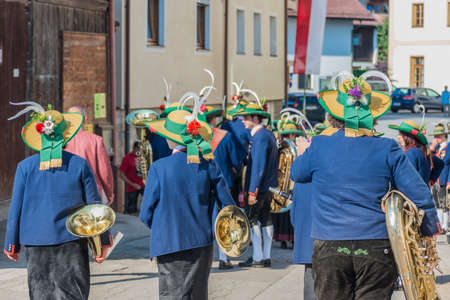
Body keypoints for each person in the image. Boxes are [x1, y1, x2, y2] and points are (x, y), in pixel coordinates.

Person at [291, 72, 441, 300]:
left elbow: (297, 174)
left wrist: (304, 153)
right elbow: (420, 193)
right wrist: (429, 231)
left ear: (333, 116)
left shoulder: (320, 144)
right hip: (376, 245)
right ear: (373, 116)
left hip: (330, 245)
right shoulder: (387, 147)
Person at [4, 103, 111, 300]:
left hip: (35, 242)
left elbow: (16, 208)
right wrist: (103, 242)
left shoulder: (24, 167)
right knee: (73, 294)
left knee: (41, 294)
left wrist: (12, 243)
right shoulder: (79, 164)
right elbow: (94, 207)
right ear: (64, 137)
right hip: (71, 240)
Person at [139, 94, 235, 300]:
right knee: (198, 294)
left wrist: (162, 227)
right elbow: (228, 206)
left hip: (169, 240)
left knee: (172, 295)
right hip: (202, 242)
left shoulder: (159, 168)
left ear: (171, 139)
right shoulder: (209, 164)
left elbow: (145, 212)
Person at [234, 92, 279, 268]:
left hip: (259, 188)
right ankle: (265, 256)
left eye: (245, 118)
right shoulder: (267, 134)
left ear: (255, 118)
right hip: (268, 186)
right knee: (266, 219)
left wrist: (252, 191)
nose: (242, 121)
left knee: (253, 220)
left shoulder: (260, 137)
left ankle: (258, 257)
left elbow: (259, 166)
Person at [200, 105, 247, 269]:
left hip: (201, 183)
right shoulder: (225, 136)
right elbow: (235, 160)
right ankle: (223, 257)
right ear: (213, 119)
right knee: (224, 218)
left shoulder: (195, 138)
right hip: (223, 182)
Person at [65, 106, 115, 205]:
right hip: (91, 193)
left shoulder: (60, 141)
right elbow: (104, 171)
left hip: (66, 193)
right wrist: (109, 193)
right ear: (85, 119)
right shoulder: (96, 140)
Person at [271, 117, 305, 249]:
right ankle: (290, 239)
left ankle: (282, 238)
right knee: (289, 212)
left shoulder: (280, 147)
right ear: (291, 134)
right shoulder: (291, 149)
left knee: (281, 212)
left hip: (279, 183)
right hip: (290, 184)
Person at [389, 120, 444, 185]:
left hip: (413, 193)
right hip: (424, 191)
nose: (398, 137)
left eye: (401, 134)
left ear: (408, 137)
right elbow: (440, 163)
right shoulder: (423, 150)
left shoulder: (411, 153)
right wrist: (431, 180)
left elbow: (409, 178)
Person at [429, 123, 450, 232]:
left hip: (444, 179)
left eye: (439, 136)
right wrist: (432, 149)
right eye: (435, 136)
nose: (436, 138)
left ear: (444, 136)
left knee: (445, 204)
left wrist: (449, 181)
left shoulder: (449, 146)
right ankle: (440, 225)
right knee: (437, 204)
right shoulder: (436, 148)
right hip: (436, 180)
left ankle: (445, 226)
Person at [119, 142, 145, 214]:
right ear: (134, 149)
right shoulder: (127, 158)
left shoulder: (143, 157)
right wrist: (133, 184)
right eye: (138, 150)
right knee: (131, 209)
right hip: (132, 187)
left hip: (144, 184)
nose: (139, 151)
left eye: (141, 150)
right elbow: (121, 174)